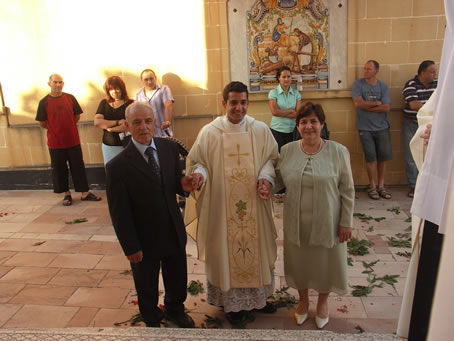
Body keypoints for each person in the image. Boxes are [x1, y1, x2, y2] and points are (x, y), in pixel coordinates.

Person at [185, 81, 279, 324]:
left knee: (256, 248)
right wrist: (199, 176)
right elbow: (199, 162)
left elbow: (271, 159)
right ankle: (233, 306)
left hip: (254, 207)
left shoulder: (260, 130)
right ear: (224, 103)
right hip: (221, 207)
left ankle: (258, 299)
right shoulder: (210, 132)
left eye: (243, 102)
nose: (239, 108)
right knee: (227, 250)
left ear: (248, 103)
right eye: (234, 102)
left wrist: (266, 178)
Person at [105, 102, 196, 328]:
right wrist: (130, 246)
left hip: (172, 228)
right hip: (143, 237)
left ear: (154, 121)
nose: (143, 127)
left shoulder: (168, 148)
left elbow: (172, 182)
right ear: (127, 125)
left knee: (177, 276)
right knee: (146, 282)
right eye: (136, 122)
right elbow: (119, 212)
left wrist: (182, 184)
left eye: (147, 121)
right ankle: (151, 317)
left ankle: (175, 310)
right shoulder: (117, 166)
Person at [275, 102, 354, 329]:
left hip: (328, 222)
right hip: (296, 222)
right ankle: (302, 302)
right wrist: (262, 187)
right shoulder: (287, 151)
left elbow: (347, 190)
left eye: (313, 121)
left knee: (324, 265)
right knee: (299, 264)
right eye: (303, 122)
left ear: (322, 124)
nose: (309, 126)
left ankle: (322, 303)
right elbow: (278, 181)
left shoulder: (338, 152)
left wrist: (345, 223)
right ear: (297, 126)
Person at [36, 74, 101, 206]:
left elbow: (76, 116)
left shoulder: (70, 98)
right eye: (55, 82)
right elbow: (42, 123)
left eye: (60, 82)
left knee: (78, 167)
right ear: (49, 84)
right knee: (60, 169)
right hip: (55, 143)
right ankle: (66, 194)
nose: (58, 85)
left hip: (73, 141)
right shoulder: (44, 102)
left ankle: (84, 193)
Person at [352, 60, 392, 200]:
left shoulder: (383, 87)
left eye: (369, 69)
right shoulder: (358, 85)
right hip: (365, 127)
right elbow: (358, 103)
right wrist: (376, 103)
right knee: (371, 158)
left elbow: (386, 107)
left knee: (383, 158)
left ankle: (381, 185)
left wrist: (366, 105)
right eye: (365, 69)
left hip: (382, 127)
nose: (365, 71)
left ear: (376, 71)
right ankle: (372, 186)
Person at [402, 60, 437, 198]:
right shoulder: (411, 85)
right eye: (432, 72)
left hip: (432, 126)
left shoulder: (438, 84)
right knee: (412, 155)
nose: (435, 74)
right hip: (412, 123)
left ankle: (430, 185)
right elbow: (414, 105)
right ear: (423, 73)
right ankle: (413, 186)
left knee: (431, 155)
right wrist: (432, 106)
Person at [94, 76, 134, 164]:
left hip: (126, 145)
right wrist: (118, 122)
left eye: (117, 88)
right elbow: (97, 122)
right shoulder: (104, 103)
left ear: (122, 89)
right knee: (111, 171)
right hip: (108, 146)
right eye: (111, 89)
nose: (114, 92)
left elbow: (129, 126)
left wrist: (110, 129)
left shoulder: (130, 103)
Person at [268, 66, 302, 152]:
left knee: (292, 156)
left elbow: (298, 113)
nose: (286, 79)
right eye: (284, 77)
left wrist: (282, 112)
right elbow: (274, 112)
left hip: (292, 130)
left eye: (288, 76)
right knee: (279, 156)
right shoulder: (273, 93)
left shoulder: (296, 94)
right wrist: (291, 111)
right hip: (277, 130)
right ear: (279, 78)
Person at [135, 69, 174, 138]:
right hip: (147, 134)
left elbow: (168, 105)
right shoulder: (138, 95)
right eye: (146, 80)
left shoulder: (164, 89)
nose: (149, 82)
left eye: (151, 79)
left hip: (163, 133)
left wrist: (167, 121)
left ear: (155, 78)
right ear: (141, 80)